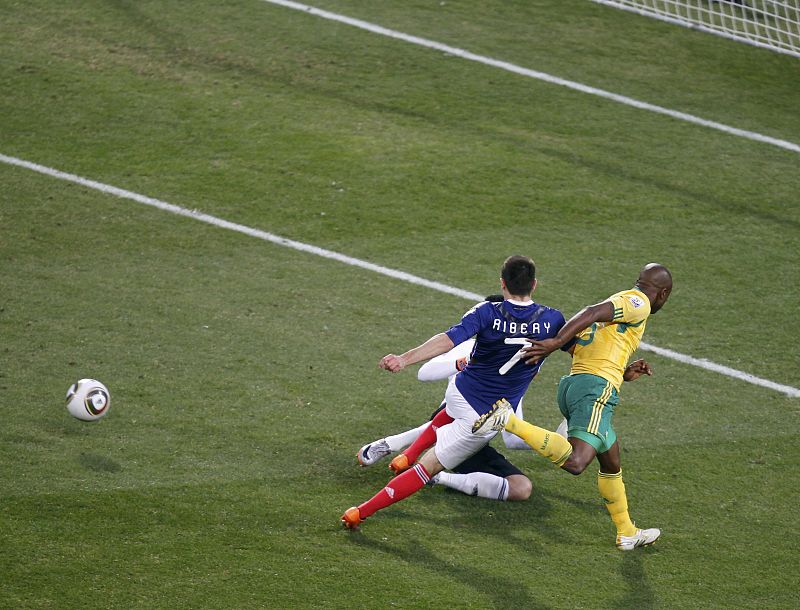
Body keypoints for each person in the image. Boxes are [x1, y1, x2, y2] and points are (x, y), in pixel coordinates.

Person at [341, 255, 569, 529]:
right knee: (427, 469)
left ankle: (403, 450)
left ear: (502, 283)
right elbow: (579, 347)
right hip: (481, 418)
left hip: (459, 392)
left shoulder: (486, 311)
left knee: (449, 413)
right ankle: (360, 512)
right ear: (534, 284)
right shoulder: (553, 320)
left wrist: (404, 359)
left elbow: (448, 339)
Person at [472, 263, 673, 551]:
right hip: (595, 390)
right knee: (577, 462)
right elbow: (591, 311)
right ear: (663, 294)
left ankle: (627, 532)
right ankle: (507, 420)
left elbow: (592, 346)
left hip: (578, 385)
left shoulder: (621, 303)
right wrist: (555, 342)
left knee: (611, 459)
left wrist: (624, 373)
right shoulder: (637, 302)